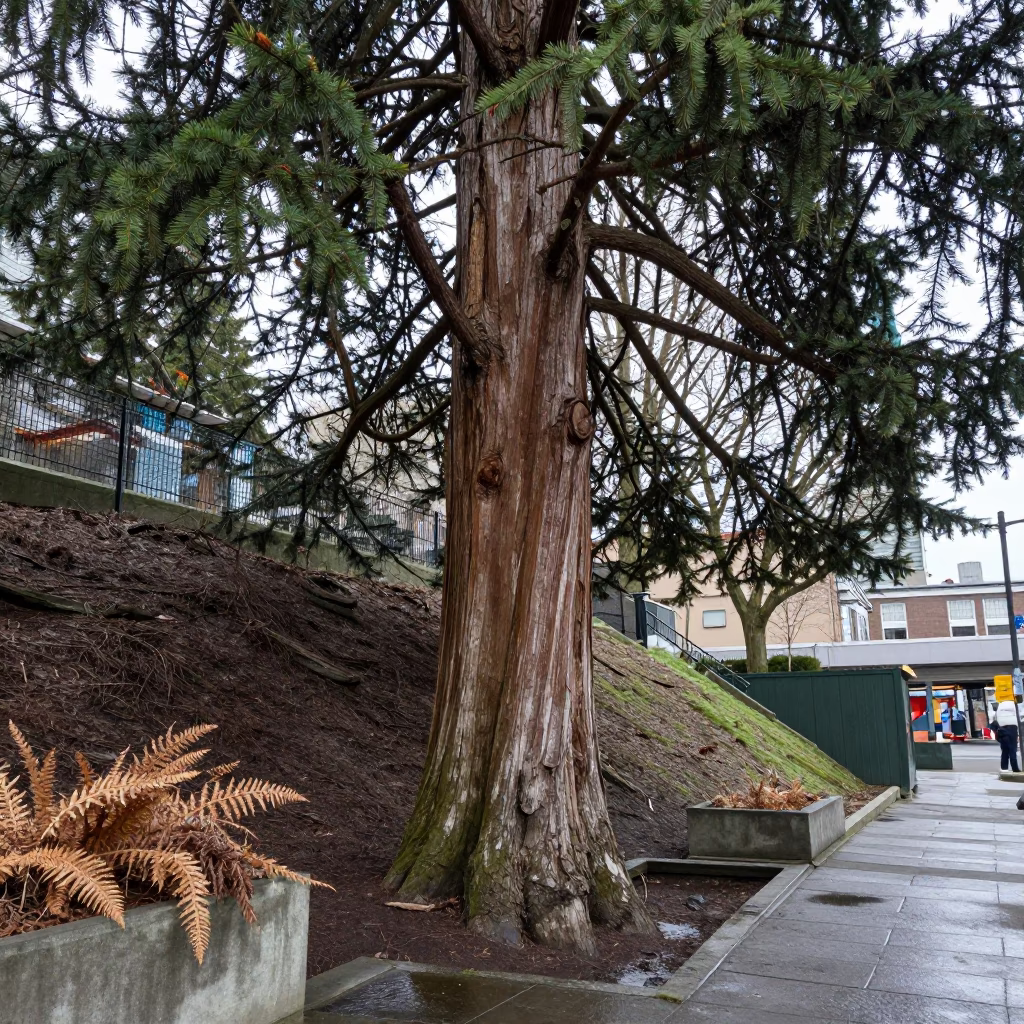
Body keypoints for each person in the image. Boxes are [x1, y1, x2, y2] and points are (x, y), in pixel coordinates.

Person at [992, 701, 1021, 773]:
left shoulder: (1001, 705)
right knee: (1012, 750)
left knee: (1005, 751)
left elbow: (994, 718)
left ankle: (1004, 768)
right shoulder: (1013, 703)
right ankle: (1015, 768)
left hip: (1002, 728)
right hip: (1012, 728)